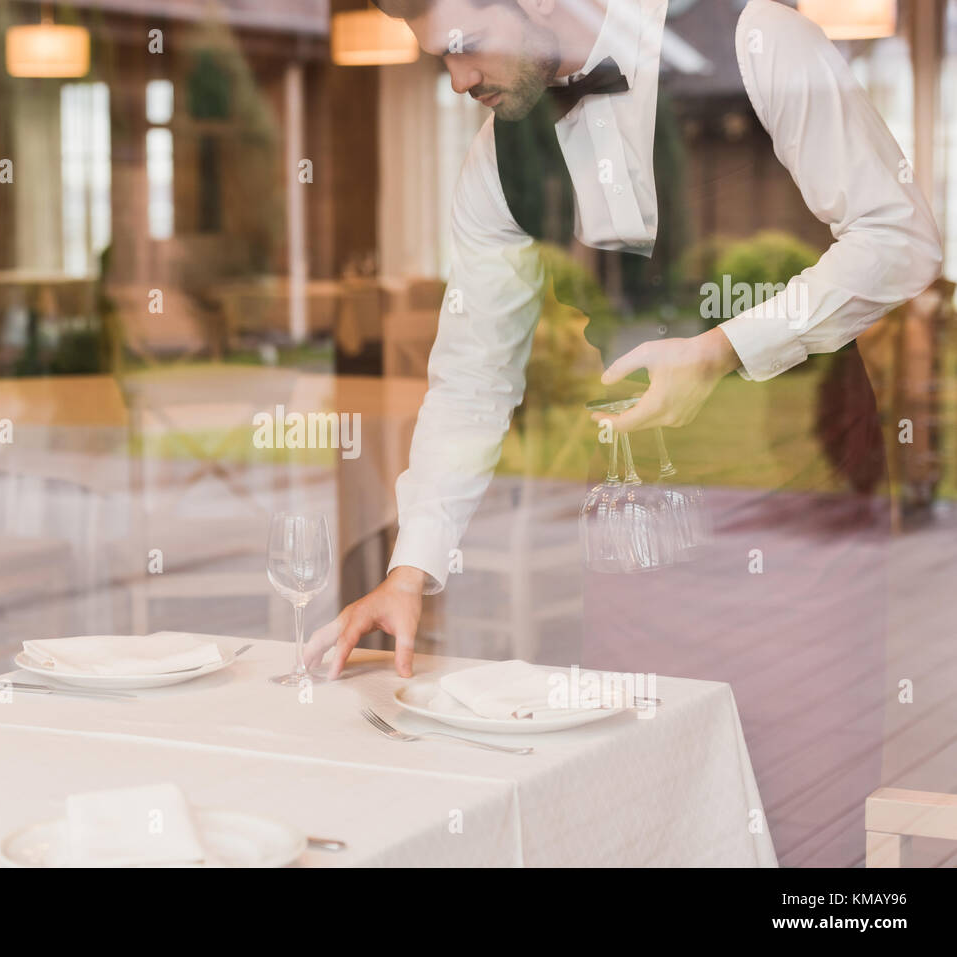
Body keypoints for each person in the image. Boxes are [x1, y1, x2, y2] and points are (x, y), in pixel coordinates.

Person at [305, 0, 942, 865]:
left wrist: (724, 349)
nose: (456, 80)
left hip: (801, 525)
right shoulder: (499, 153)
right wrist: (411, 570)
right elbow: (473, 375)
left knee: (805, 835)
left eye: (460, 47)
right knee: (646, 821)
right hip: (637, 544)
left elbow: (901, 239)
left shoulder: (757, 42)